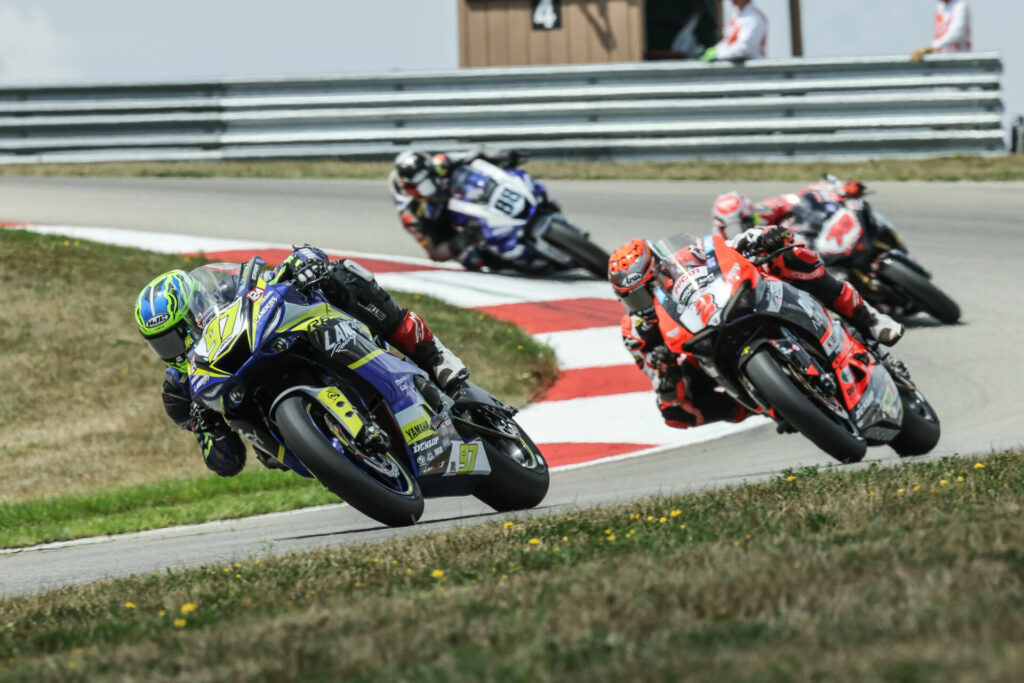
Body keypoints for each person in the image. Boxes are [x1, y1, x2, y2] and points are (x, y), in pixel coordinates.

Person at [134, 246, 469, 477]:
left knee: (341, 276)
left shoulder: (224, 290)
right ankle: (344, 455)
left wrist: (304, 262)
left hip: (287, 334)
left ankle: (435, 356)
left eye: (178, 335)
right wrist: (208, 427)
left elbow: (271, 275)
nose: (174, 349)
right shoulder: (178, 392)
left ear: (195, 308)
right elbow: (226, 463)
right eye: (162, 344)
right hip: (276, 424)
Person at [608, 228, 903, 430]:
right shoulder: (635, 331)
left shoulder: (688, 255)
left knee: (790, 256)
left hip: (736, 301)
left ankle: (870, 318)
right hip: (702, 347)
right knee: (674, 412)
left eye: (647, 291)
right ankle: (765, 405)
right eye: (633, 298)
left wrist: (766, 237)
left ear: (661, 267)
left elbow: (729, 246)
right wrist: (664, 369)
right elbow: (653, 376)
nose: (644, 302)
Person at [388, 147, 522, 270]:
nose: (430, 187)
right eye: (424, 186)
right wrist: (464, 238)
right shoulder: (410, 214)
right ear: (410, 187)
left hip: (457, 196)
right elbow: (434, 253)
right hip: (446, 226)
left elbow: (475, 153)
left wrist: (500, 154)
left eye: (430, 177)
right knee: (472, 259)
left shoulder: (438, 163)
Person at [710, 175, 867, 239]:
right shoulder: (721, 247)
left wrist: (838, 191)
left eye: (745, 221)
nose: (741, 228)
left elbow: (798, 198)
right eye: (733, 227)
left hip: (800, 242)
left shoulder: (761, 212)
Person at [700, 0, 767, 63]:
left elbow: (744, 49)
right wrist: (716, 50)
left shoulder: (754, 18)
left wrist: (718, 55)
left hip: (753, 71)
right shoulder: (737, 15)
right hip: (738, 69)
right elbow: (728, 41)